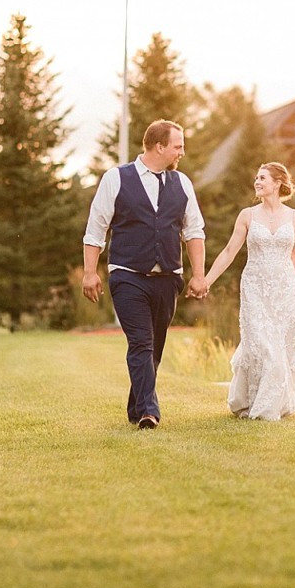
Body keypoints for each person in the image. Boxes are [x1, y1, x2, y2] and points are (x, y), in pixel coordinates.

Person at [81, 119, 208, 429]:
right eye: (178, 145)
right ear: (159, 146)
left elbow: (194, 231)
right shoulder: (116, 178)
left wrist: (198, 274)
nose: (182, 151)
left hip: (168, 277)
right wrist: (89, 272)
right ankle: (150, 412)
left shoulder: (182, 183)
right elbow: (96, 228)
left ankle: (137, 406)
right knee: (141, 342)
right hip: (127, 275)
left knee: (155, 346)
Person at [204, 162, 295, 420]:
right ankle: (258, 405)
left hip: (285, 289)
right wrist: (206, 280)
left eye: (262, 178)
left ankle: (271, 404)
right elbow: (230, 251)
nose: (257, 182)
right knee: (261, 345)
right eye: (256, 178)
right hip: (254, 288)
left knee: (280, 346)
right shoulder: (247, 215)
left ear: (277, 183)